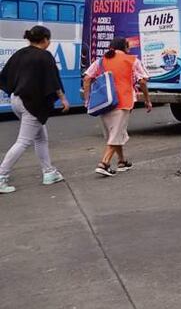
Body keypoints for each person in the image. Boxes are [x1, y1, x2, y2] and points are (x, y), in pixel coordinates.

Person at [0, 26, 69, 193]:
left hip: (17, 99)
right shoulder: (45, 57)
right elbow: (53, 81)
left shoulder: (21, 53)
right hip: (32, 104)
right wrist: (63, 99)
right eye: (49, 39)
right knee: (24, 141)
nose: (50, 43)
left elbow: (6, 75)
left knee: (41, 137)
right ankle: (2, 175)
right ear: (44, 39)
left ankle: (48, 172)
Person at [83, 37, 151, 176]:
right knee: (116, 133)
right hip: (124, 101)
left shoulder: (101, 61)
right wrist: (147, 100)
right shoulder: (132, 60)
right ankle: (104, 163)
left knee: (115, 132)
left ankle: (122, 161)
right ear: (125, 47)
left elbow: (87, 79)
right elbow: (143, 82)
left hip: (104, 102)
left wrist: (87, 99)